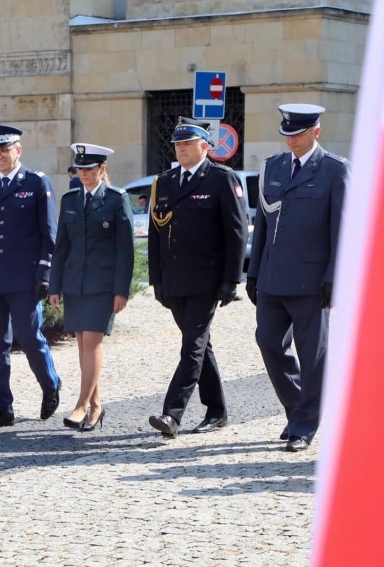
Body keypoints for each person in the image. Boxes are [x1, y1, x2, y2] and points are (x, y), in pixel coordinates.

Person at [245, 104, 348, 452]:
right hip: (272, 278)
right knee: (269, 343)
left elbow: (343, 230)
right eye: (287, 134)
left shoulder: (335, 171)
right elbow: (263, 225)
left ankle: (304, 425)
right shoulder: (272, 167)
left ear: (316, 132)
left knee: (313, 355)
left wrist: (335, 277)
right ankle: (298, 409)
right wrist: (254, 271)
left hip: (312, 282)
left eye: (299, 134)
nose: (292, 141)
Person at [147, 118, 247, 439]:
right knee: (201, 346)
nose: (181, 149)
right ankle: (217, 409)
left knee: (192, 347)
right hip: (174, 281)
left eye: (188, 144)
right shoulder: (163, 182)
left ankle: (171, 414)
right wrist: (156, 280)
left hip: (207, 280)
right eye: (177, 145)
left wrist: (232, 280)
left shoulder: (220, 178)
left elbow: (236, 233)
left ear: (205, 146)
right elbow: (155, 235)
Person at [0, 124, 62, 428]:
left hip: (25, 278)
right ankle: (1, 407)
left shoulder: (36, 182)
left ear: (18, 151)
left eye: (5, 150)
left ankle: (50, 385)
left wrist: (46, 272)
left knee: (30, 337)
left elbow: (49, 232)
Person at [49, 143, 134, 432]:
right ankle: (97, 406)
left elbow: (126, 250)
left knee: (93, 342)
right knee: (82, 342)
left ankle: (81, 405)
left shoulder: (115, 199)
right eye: (79, 169)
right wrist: (55, 286)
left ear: (102, 169)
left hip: (103, 284)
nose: (83, 174)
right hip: (75, 282)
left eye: (89, 169)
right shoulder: (70, 199)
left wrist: (122, 290)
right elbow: (61, 247)